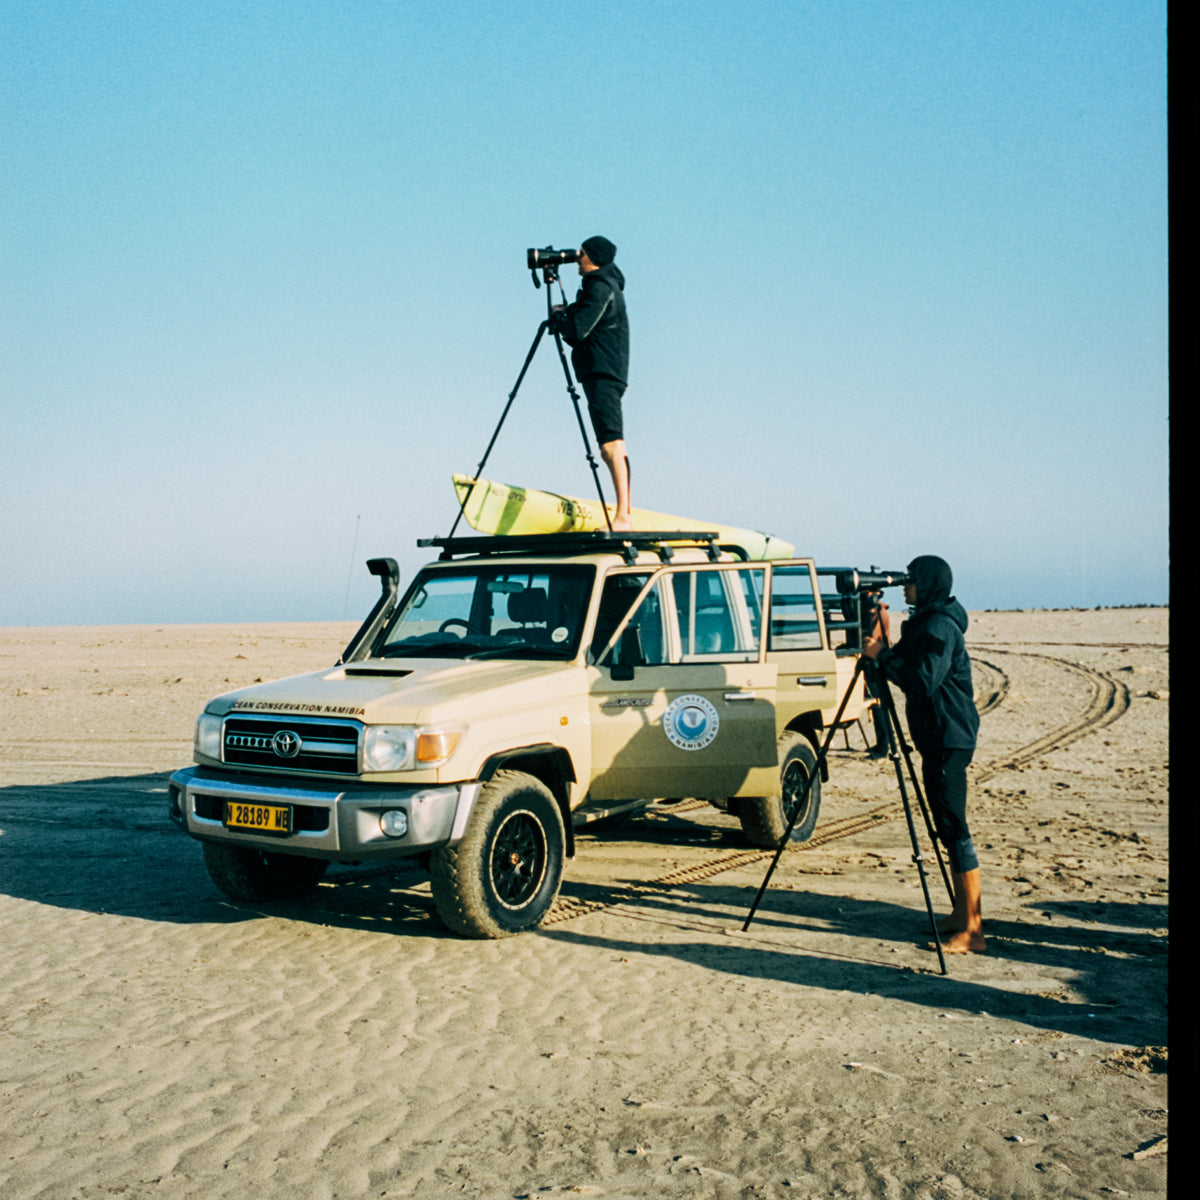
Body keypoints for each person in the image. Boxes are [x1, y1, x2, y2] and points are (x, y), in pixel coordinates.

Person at [862, 555, 984, 954]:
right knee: (947, 828)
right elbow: (902, 668)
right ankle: (960, 915)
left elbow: (921, 680)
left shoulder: (938, 626)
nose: (905, 587)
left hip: (948, 736)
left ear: (928, 584)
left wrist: (881, 654)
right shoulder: (927, 622)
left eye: (911, 581)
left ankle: (973, 931)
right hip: (938, 735)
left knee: (954, 828)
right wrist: (880, 636)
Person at [551, 235, 632, 531]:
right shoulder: (602, 286)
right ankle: (624, 513)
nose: (577, 257)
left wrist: (561, 319)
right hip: (603, 370)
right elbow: (585, 325)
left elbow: (578, 331)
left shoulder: (600, 286)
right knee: (609, 443)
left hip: (603, 371)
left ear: (593, 257)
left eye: (581, 253)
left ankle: (623, 517)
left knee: (611, 444)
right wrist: (567, 314)